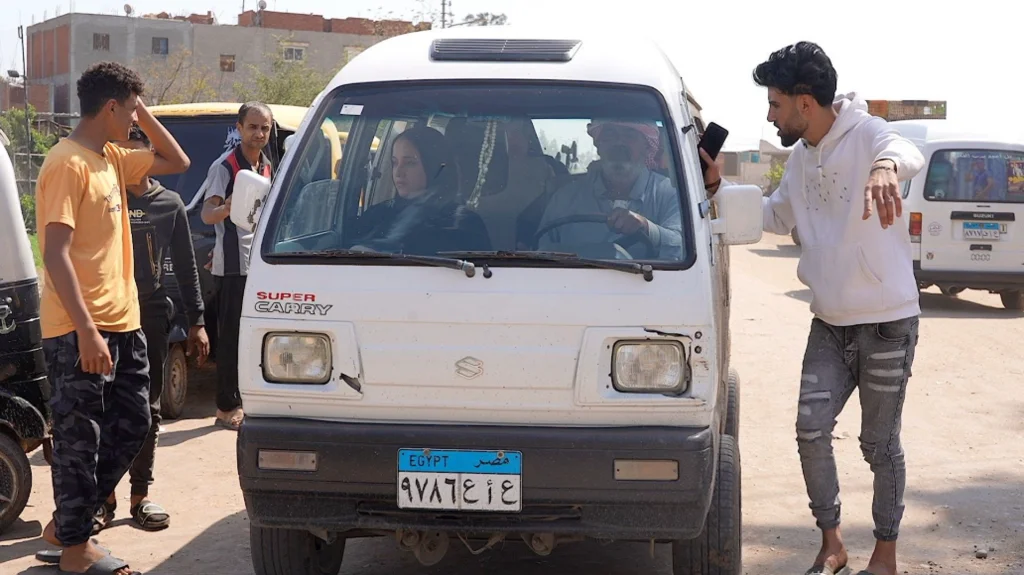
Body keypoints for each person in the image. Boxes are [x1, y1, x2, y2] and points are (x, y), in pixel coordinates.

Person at [704, 42, 925, 575]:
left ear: (805, 102)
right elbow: (775, 217)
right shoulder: (801, 158)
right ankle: (832, 544)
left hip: (886, 323)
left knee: (878, 445)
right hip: (828, 324)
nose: (769, 114)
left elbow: (904, 150)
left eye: (775, 103)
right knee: (809, 429)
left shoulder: (870, 134)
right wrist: (716, 186)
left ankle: (885, 556)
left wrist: (886, 168)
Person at [35, 61, 189, 575]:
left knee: (134, 423)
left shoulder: (113, 158)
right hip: (80, 329)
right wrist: (84, 330)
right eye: (129, 112)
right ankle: (76, 549)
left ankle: (69, 521)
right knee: (81, 440)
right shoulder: (67, 162)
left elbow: (177, 159)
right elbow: (55, 253)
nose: (135, 122)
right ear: (109, 109)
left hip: (125, 324)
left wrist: (139, 102)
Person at [90, 125, 209, 532]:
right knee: (106, 409)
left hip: (152, 316)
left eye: (138, 154)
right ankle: (104, 499)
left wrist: (197, 321)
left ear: (151, 158)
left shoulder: (169, 203)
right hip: (106, 315)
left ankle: (140, 496)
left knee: (147, 409)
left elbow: (188, 265)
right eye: (123, 154)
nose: (130, 162)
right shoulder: (106, 200)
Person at [200, 102, 273, 430]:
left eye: (265, 128)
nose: (259, 133)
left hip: (258, 265)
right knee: (230, 338)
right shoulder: (226, 167)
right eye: (253, 127)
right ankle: (225, 407)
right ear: (239, 128)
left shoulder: (267, 165)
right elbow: (206, 214)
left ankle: (247, 400)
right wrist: (229, 207)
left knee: (254, 336)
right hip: (232, 266)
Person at [536, 119, 682, 259]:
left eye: (629, 135)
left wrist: (646, 227)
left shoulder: (670, 193)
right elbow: (541, 253)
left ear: (647, 146)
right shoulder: (566, 197)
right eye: (610, 134)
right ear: (598, 143)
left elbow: (684, 249)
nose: (619, 142)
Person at [352, 126, 491, 254]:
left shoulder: (462, 223)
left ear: (433, 166)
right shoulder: (376, 215)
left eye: (410, 163)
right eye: (394, 163)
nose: (399, 172)